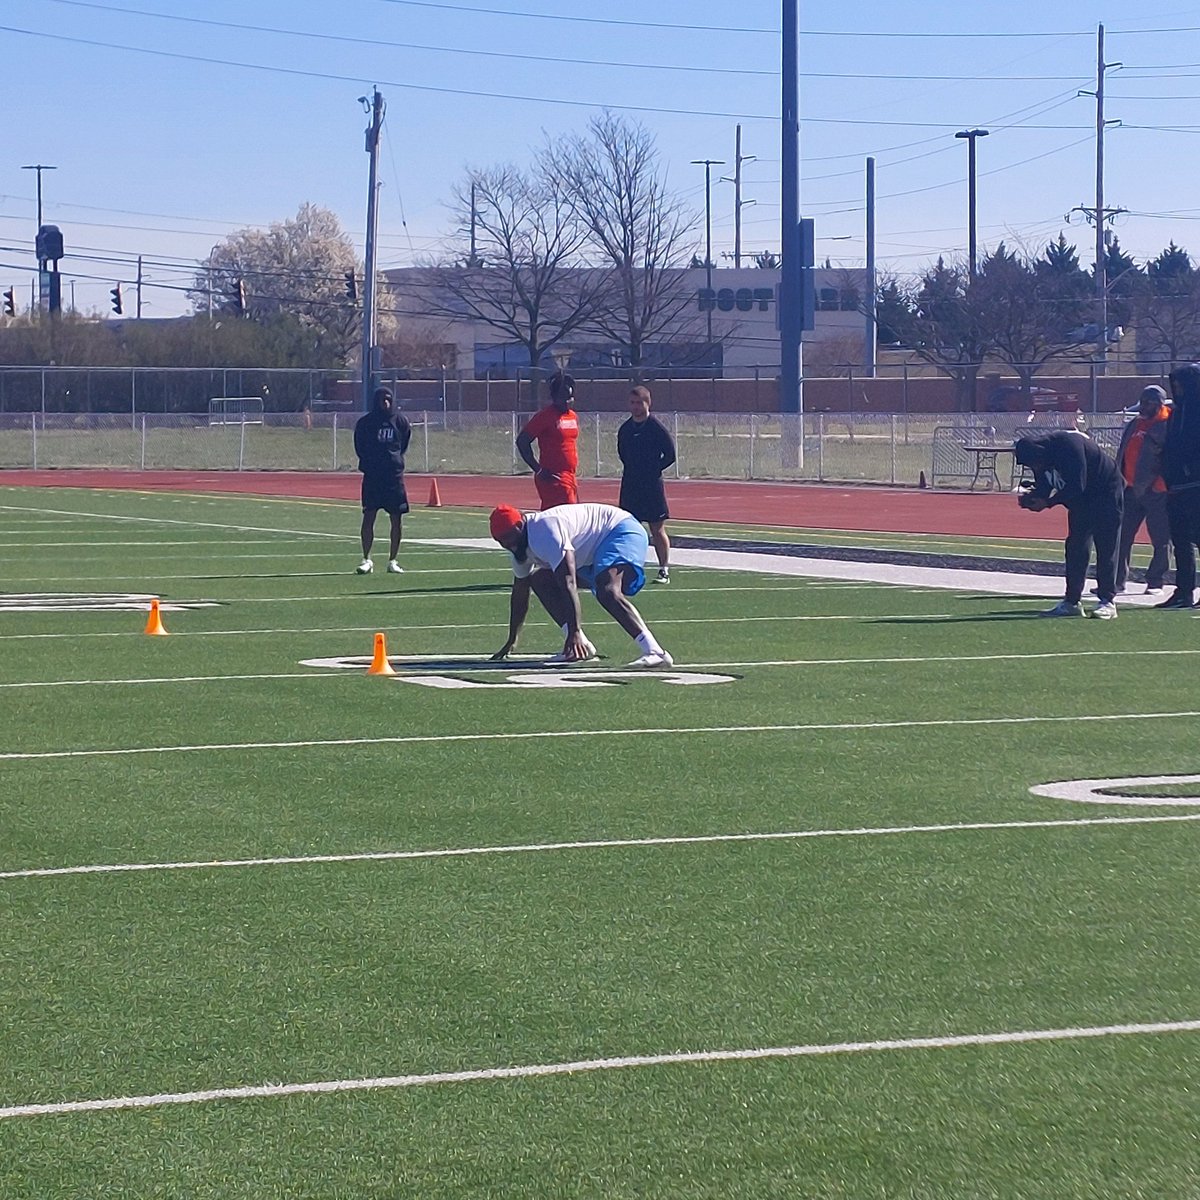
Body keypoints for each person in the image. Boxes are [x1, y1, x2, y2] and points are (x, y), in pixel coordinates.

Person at [488, 502, 673, 668]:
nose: (507, 544)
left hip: (619, 530)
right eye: (500, 541)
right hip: (591, 549)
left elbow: (568, 581)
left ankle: (655, 651)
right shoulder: (519, 548)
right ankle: (580, 647)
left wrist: (574, 632)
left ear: (520, 526)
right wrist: (512, 638)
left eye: (508, 537)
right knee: (539, 580)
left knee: (607, 590)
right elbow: (520, 593)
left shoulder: (546, 531)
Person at [1013, 430, 1124, 619]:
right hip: (1082, 500)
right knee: (1075, 546)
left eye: (1034, 463)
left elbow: (1077, 484)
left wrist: (1047, 503)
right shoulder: (1042, 458)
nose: (1035, 467)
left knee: (1106, 546)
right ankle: (1071, 600)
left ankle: (1108, 601)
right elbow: (1045, 485)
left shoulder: (1069, 445)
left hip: (1106, 493)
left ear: (1040, 453)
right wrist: (1033, 499)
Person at [1114, 384, 1172, 596]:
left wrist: (1157, 483)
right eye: (1142, 402)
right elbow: (1123, 452)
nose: (1143, 407)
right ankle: (1116, 582)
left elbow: (1167, 459)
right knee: (1121, 536)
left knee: (1161, 539)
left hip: (1157, 491)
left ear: (1158, 404)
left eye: (1148, 404)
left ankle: (1156, 582)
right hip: (1129, 490)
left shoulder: (1168, 424)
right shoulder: (1134, 424)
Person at [617, 384, 677, 584]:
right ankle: (629, 568)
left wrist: (652, 470)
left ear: (647, 403)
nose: (635, 407)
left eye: (639, 403)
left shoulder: (655, 427)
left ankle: (664, 570)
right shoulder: (625, 429)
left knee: (657, 528)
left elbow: (670, 455)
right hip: (631, 485)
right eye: (632, 403)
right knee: (629, 528)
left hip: (652, 486)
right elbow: (623, 454)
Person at [353, 386, 411, 574]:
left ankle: (393, 560)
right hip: (373, 477)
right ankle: (366, 559)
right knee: (369, 515)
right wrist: (371, 463)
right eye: (382, 399)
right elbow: (359, 446)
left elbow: (403, 444)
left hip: (393, 478)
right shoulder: (366, 423)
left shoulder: (400, 421)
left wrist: (393, 461)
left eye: (388, 399)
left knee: (396, 519)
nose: (385, 403)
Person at [1158, 363, 1200, 609]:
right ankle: (1184, 591)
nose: (1177, 388)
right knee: (1181, 540)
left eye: (1180, 384)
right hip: (1176, 486)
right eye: (1174, 384)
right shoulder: (1176, 412)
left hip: (1196, 484)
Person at [516, 371, 580, 508]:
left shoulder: (573, 416)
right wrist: (537, 469)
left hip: (570, 476)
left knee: (572, 517)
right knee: (565, 516)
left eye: (570, 397)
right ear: (554, 397)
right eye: (563, 398)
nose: (568, 401)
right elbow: (522, 441)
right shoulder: (545, 416)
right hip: (553, 478)